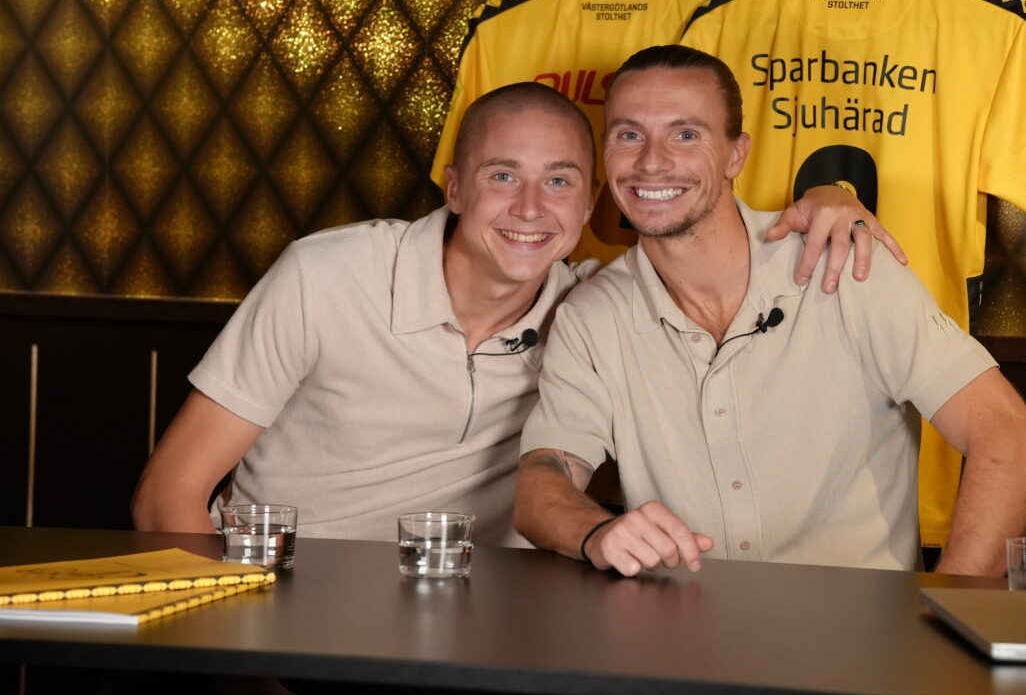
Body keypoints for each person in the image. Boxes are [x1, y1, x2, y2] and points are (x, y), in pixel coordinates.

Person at [132, 81, 893, 543]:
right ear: (455, 188)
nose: (531, 208)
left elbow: (714, 253)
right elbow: (168, 494)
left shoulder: (592, 310)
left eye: (560, 181)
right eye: (503, 176)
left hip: (470, 622)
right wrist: (244, 669)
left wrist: (833, 200)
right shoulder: (326, 275)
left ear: (591, 203)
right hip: (278, 605)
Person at [514, 45, 1026, 576]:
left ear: (736, 155)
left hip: (864, 629)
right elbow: (544, 477)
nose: (652, 161)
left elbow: (1011, 442)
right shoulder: (590, 315)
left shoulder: (848, 266)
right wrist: (596, 532)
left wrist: (943, 613)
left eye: (686, 135)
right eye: (629, 135)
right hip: (680, 626)